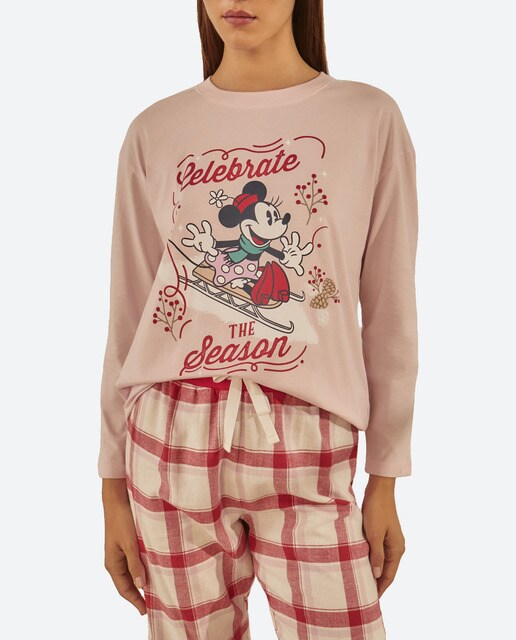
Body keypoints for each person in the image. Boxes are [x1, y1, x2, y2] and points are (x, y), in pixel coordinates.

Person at [99, 1, 419, 638]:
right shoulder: (155, 129)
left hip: (310, 436)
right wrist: (111, 489)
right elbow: (129, 313)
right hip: (169, 437)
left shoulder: (368, 117)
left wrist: (386, 474)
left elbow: (390, 309)